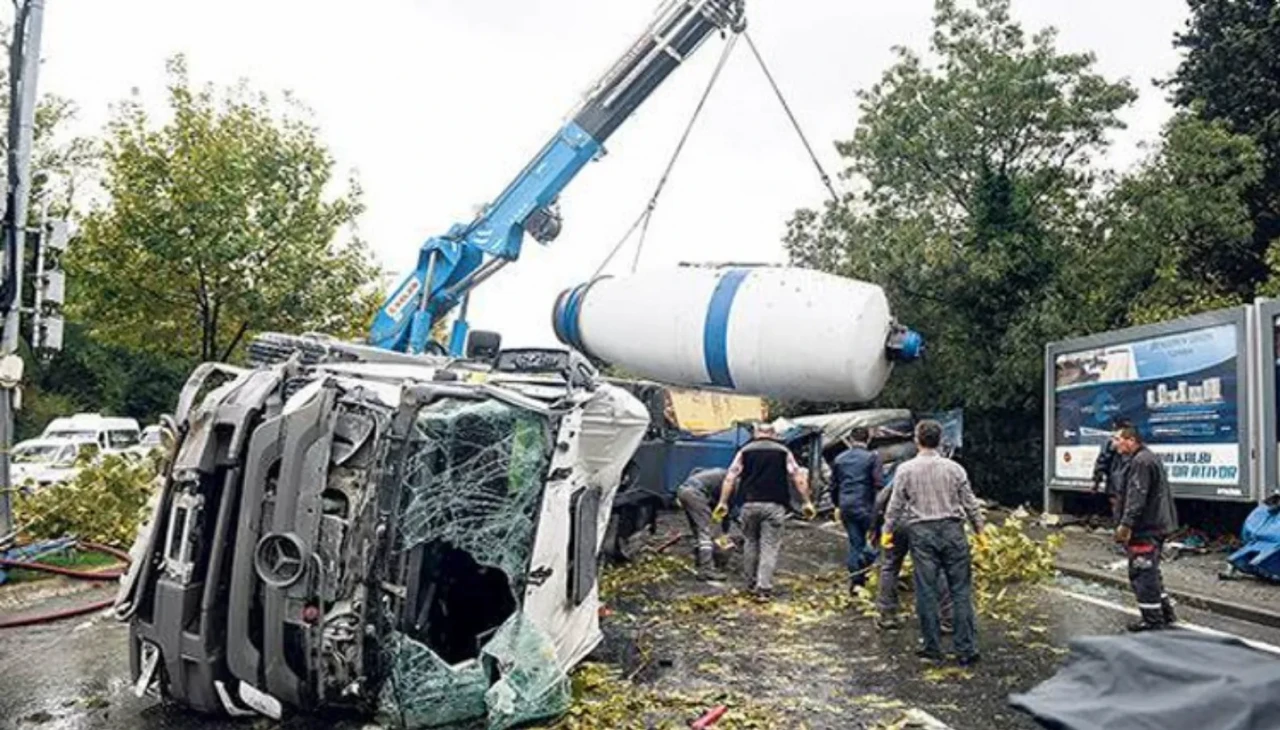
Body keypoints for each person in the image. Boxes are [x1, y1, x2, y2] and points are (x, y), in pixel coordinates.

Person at [883, 420, 983, 665]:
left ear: (917, 440)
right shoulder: (955, 469)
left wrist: (887, 531)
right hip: (953, 531)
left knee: (926, 591)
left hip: (922, 533)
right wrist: (980, 530)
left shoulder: (905, 470)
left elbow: (895, 505)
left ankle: (932, 647)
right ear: (939, 441)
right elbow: (970, 502)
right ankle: (966, 649)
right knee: (960, 591)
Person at [714, 422, 815, 600]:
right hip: (774, 506)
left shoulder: (744, 451)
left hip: (749, 504)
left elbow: (730, 477)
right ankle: (763, 589)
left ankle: (750, 583)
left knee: (750, 543)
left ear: (756, 433)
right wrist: (806, 502)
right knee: (769, 546)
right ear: (774, 434)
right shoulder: (783, 452)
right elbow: (798, 476)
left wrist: (723, 502)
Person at [871, 456, 954, 633]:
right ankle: (947, 618)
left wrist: (878, 529)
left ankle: (887, 615)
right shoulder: (946, 473)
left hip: (899, 524)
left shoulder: (904, 471)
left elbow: (881, 500)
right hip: (926, 524)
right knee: (937, 568)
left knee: (890, 566)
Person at [1112, 425, 1179, 631]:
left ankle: (1152, 621)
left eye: (1117, 439)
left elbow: (1136, 497)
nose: (1114, 444)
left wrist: (1125, 525)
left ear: (1130, 440)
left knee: (1142, 572)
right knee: (1151, 571)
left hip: (1145, 528)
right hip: (1156, 525)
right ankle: (1165, 613)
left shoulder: (1140, 462)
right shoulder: (1147, 458)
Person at [830, 427, 882, 593]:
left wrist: (837, 504)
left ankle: (856, 584)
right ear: (868, 440)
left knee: (855, 543)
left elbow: (833, 486)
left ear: (851, 440)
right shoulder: (872, 458)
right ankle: (868, 559)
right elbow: (878, 483)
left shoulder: (839, 459)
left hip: (846, 506)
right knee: (878, 540)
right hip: (867, 506)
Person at [675, 467, 729, 581]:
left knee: (697, 528)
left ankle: (699, 560)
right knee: (706, 531)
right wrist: (722, 534)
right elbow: (724, 510)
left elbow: (695, 471)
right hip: (696, 494)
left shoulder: (716, 473)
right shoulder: (732, 481)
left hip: (683, 491)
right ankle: (706, 569)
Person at [1092, 417, 1134, 525]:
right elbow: (1103, 460)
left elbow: (1102, 460)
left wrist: (1097, 480)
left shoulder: (1114, 441)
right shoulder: (1126, 440)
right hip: (1121, 480)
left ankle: (1121, 529)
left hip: (1117, 480)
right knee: (1122, 507)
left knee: (1119, 506)